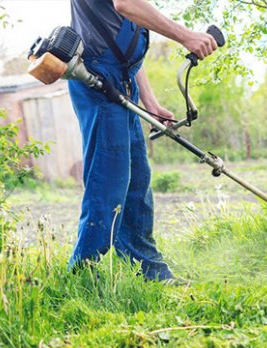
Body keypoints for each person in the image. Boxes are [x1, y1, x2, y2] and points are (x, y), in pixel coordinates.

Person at [67, 0, 217, 283]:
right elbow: (127, 4)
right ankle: (81, 275)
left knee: (137, 180)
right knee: (108, 182)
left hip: (120, 77)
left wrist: (151, 104)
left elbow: (126, 45)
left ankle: (146, 269)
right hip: (98, 77)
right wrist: (186, 36)